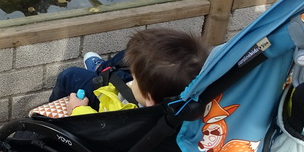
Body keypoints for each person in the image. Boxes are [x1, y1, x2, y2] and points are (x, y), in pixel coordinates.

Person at [50, 28, 208, 115]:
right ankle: (101, 68)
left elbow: (105, 132)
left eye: (135, 79)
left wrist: (78, 109)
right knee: (129, 57)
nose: (134, 80)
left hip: (114, 100)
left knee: (69, 75)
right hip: (145, 92)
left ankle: (43, 125)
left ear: (150, 99)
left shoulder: (125, 117)